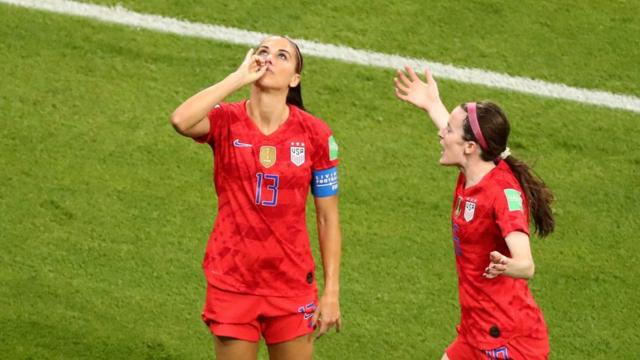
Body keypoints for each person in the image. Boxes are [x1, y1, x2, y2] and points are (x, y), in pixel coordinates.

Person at [170, 36, 342, 360]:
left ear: (294, 79)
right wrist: (237, 78)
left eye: (281, 55)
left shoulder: (316, 135)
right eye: (263, 51)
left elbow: (327, 217)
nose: (269, 58)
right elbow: (181, 120)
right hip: (232, 281)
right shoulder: (226, 120)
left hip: (290, 284)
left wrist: (331, 290)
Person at [394, 66, 555, 360]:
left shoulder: (501, 195)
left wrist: (507, 265)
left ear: (469, 147)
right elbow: (452, 129)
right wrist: (432, 103)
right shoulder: (473, 167)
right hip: (476, 331)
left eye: (449, 130)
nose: (441, 134)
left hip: (509, 341)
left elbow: (526, 264)